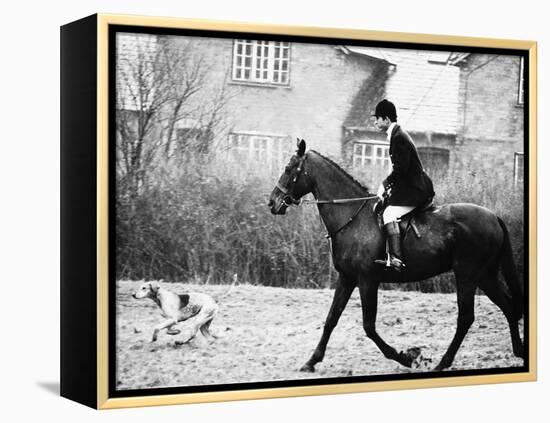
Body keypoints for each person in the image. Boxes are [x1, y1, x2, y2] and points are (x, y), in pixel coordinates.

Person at [372, 99, 434, 271]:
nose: (375, 122)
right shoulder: (396, 135)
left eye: (377, 118)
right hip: (409, 188)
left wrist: (385, 185)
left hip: (416, 191)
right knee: (385, 208)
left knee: (389, 214)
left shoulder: (399, 137)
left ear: (386, 119)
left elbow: (401, 170)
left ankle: (397, 259)